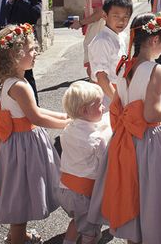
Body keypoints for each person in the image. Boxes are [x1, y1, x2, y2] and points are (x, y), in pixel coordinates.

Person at [88, 12, 161, 244]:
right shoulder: (157, 71)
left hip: (125, 141)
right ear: (155, 40)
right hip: (150, 142)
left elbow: (120, 101)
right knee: (151, 196)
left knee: (132, 193)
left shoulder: (125, 67)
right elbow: (151, 113)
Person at [0, 23, 70, 244]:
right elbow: (36, 117)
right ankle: (18, 239)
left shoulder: (11, 81)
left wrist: (65, 116)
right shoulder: (19, 86)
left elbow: (36, 110)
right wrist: (67, 125)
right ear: (14, 55)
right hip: (23, 146)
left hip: (18, 143)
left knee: (20, 191)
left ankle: (17, 235)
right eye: (31, 50)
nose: (36, 53)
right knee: (21, 193)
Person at [58, 81, 112, 244]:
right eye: (100, 104)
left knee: (77, 220)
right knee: (91, 231)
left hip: (65, 189)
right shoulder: (96, 139)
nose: (103, 107)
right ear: (85, 110)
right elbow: (104, 165)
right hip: (84, 194)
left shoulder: (67, 129)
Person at [69, 0, 111, 79]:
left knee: (94, 68)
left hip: (96, 28)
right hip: (101, 27)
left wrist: (80, 23)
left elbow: (98, 14)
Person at [87, 0, 133, 104]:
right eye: (116, 16)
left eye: (125, 17)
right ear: (104, 15)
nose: (121, 21)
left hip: (118, 91)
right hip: (107, 96)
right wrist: (118, 102)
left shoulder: (119, 36)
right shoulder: (102, 41)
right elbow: (101, 77)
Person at [5, 0, 41, 104]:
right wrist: (10, 1)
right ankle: (18, 104)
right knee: (12, 73)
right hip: (13, 39)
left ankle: (34, 105)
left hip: (27, 40)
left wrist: (23, 0)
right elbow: (8, 18)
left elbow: (35, 16)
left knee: (27, 72)